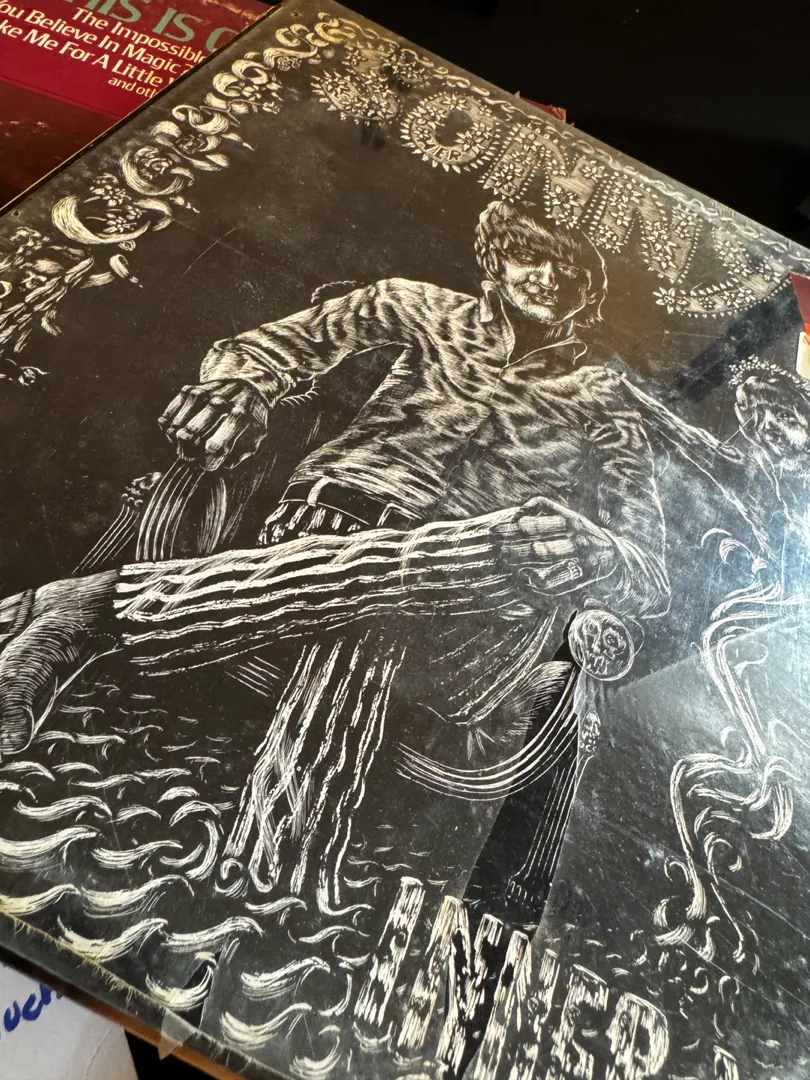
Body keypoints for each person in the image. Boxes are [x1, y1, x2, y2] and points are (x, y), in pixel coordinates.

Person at [0, 201, 670, 922]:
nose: (547, 278)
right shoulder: (417, 305)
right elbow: (273, 346)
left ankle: (95, 608)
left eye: (568, 270)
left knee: (499, 550)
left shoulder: (606, 397)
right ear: (494, 262)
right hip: (335, 515)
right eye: (529, 256)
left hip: (473, 611)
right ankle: (272, 889)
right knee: (375, 624)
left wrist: (595, 548)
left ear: (588, 293)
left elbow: (649, 573)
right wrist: (241, 387)